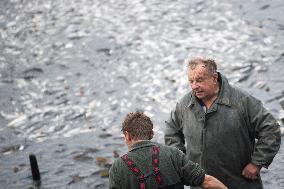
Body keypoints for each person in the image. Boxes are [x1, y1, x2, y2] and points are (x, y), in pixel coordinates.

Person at [164, 57, 281, 189]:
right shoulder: (184, 105)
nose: (194, 86)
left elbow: (271, 130)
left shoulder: (243, 101)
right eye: (191, 81)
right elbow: (171, 130)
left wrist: (257, 163)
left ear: (214, 78)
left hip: (239, 183)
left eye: (200, 80)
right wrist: (181, 163)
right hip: (201, 185)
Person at [109, 111, 229, 189]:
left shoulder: (118, 167)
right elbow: (207, 181)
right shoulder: (173, 154)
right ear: (151, 133)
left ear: (127, 135)